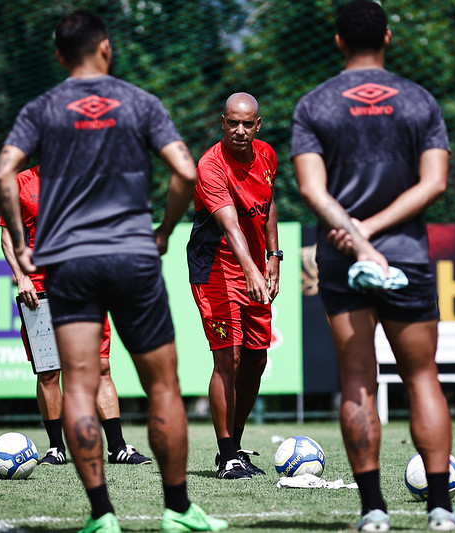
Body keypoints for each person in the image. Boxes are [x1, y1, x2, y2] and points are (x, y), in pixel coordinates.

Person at [0, 10, 227, 533]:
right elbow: (186, 171)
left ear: (59, 56)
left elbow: (2, 171)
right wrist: (163, 229)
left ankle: (102, 517)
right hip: (132, 256)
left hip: (68, 262)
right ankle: (179, 510)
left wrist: (23, 244)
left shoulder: (42, 107)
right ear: (106, 49)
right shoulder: (138, 102)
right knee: (162, 386)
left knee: (77, 384)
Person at [291, 1, 455, 531]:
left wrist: (355, 232)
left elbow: (310, 189)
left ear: (339, 40)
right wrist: (376, 233)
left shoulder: (314, 104)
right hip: (406, 258)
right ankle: (440, 509)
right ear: (388, 37)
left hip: (342, 258)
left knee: (357, 382)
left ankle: (373, 512)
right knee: (422, 378)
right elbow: (434, 183)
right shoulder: (419, 101)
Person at [0, 165, 151, 467]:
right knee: (48, 371)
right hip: (39, 287)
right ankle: (56, 448)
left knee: (101, 365)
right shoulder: (20, 182)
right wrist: (22, 277)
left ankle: (117, 447)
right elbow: (7, 236)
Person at [186, 93, 280, 480]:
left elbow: (269, 203)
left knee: (257, 360)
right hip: (216, 271)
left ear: (258, 126)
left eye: (248, 124)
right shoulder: (209, 166)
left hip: (255, 267)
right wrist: (252, 270)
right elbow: (229, 225)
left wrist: (274, 256)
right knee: (230, 359)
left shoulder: (268, 155)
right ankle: (226, 456)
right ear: (222, 123)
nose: (239, 130)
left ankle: (236, 447)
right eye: (232, 123)